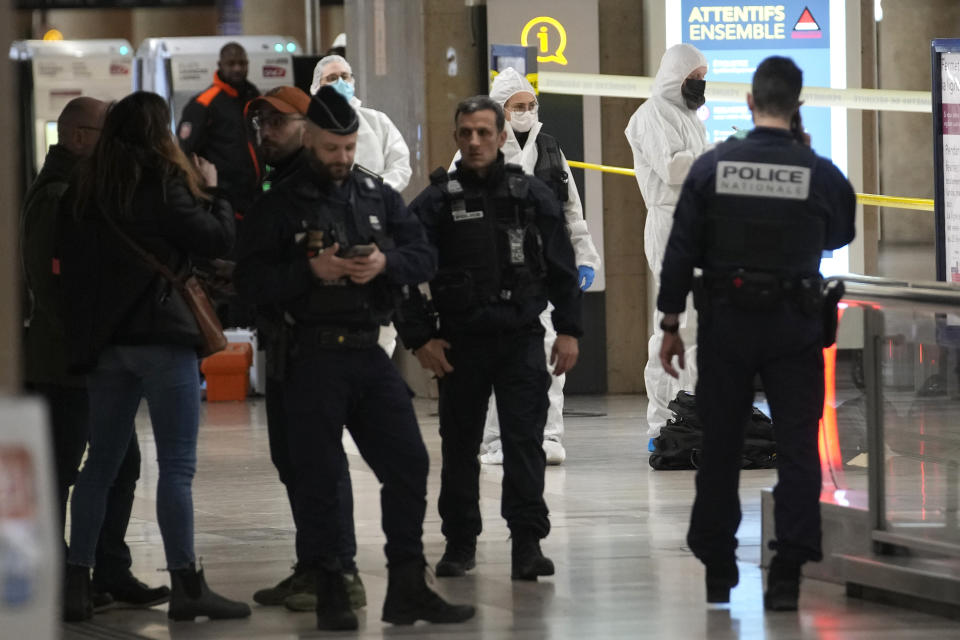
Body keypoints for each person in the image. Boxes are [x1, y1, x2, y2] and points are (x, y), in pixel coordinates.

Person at [234, 86, 475, 631]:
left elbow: (423, 255)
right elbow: (248, 285)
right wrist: (309, 273)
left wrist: (384, 263)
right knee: (318, 476)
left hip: (369, 353)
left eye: (348, 149)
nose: (341, 160)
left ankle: (408, 587)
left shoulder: (375, 194)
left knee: (409, 464)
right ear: (312, 139)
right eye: (331, 149)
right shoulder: (278, 203)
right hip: (310, 360)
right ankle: (331, 590)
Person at [656, 56, 856, 610]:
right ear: (797, 107)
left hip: (727, 327)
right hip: (794, 327)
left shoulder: (713, 166)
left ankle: (719, 568)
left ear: (748, 102)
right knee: (796, 448)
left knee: (720, 447)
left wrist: (671, 323)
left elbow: (681, 250)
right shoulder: (818, 171)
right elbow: (841, 230)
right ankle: (788, 571)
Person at [60, 91, 250, 623]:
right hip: (162, 343)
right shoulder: (164, 184)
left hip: (105, 348)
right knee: (177, 468)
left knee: (98, 465)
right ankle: (187, 584)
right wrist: (213, 191)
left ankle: (78, 582)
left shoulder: (84, 190)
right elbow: (215, 241)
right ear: (159, 132)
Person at [402, 95, 582, 581]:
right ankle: (460, 544)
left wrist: (568, 330)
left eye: (485, 132)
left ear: (502, 137)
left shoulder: (531, 195)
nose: (476, 141)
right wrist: (420, 337)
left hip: (521, 339)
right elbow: (398, 270)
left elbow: (563, 267)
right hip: (459, 343)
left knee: (525, 444)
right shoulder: (439, 200)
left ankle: (527, 543)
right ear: (457, 137)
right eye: (467, 133)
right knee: (460, 447)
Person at [20, 96, 169, 613]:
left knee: (121, 464)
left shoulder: (80, 190)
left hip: (93, 362)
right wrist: (90, 343)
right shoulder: (56, 195)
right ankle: (66, 577)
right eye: (107, 134)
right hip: (67, 366)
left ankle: (107, 568)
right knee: (63, 471)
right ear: (79, 137)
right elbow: (48, 281)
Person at [243, 86, 366, 613]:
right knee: (291, 459)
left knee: (321, 461)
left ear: (308, 130)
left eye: (277, 122)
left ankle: (342, 572)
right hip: (284, 344)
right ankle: (312, 564)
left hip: (323, 349)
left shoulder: (332, 189)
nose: (265, 132)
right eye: (260, 124)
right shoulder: (277, 188)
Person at [450, 67, 601, 466]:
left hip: (542, 268)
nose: (526, 112)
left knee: (551, 354)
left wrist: (583, 256)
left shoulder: (550, 148)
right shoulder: (477, 148)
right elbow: (450, 211)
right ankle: (495, 441)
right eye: (518, 106)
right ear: (501, 110)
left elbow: (572, 209)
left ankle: (548, 435)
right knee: (494, 358)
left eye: (531, 105)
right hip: (492, 270)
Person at [625, 43, 709, 447]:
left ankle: (692, 414)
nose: (699, 84)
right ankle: (663, 423)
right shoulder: (652, 114)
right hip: (670, 223)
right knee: (674, 324)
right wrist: (714, 156)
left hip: (697, 224)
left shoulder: (690, 117)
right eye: (693, 77)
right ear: (676, 77)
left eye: (702, 77)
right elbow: (675, 168)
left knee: (697, 328)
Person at [310, 53, 413, 356]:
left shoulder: (376, 122)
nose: (340, 83)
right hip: (325, 232)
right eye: (332, 78)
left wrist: (373, 195)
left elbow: (400, 166)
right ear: (316, 86)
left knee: (380, 319)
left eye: (345, 76)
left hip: (375, 229)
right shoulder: (307, 128)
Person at [178, 42, 261, 217]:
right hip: (223, 200)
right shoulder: (204, 104)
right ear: (220, 66)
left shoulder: (254, 97)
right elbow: (185, 152)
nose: (237, 68)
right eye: (231, 64)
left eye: (242, 63)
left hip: (255, 197)